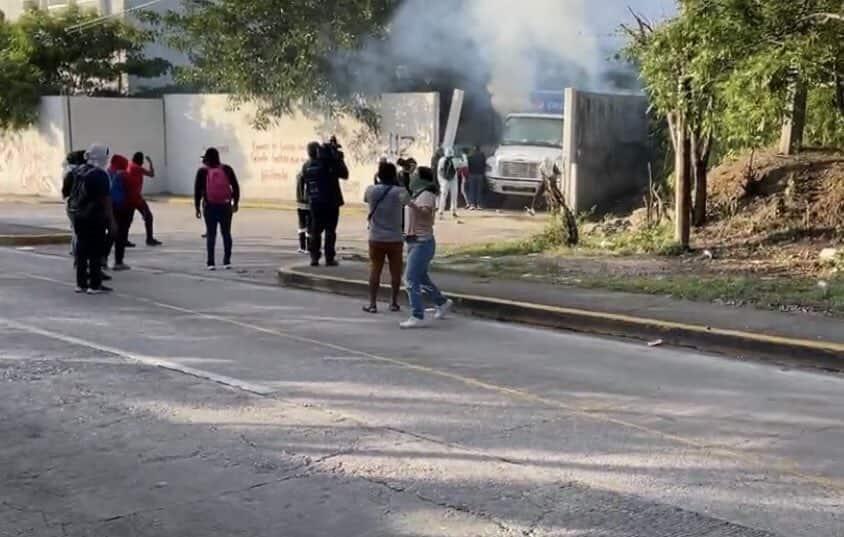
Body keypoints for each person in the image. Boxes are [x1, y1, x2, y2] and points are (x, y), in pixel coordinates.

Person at [401, 166, 453, 329]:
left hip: (422, 243)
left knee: (409, 278)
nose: (412, 177)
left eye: (415, 175)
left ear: (423, 179)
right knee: (421, 277)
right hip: (414, 241)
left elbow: (425, 214)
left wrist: (410, 204)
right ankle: (442, 302)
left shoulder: (427, 195)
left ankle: (417, 315)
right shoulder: (417, 194)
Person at [66, 144, 116, 294]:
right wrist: (112, 221)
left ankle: (81, 284)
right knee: (95, 250)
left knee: (81, 250)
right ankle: (94, 285)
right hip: (93, 217)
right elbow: (105, 200)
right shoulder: (99, 174)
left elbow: (68, 192)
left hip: (77, 215)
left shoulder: (78, 170)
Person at [363, 161, 409, 314]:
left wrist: (375, 181)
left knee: (375, 270)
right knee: (396, 272)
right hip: (395, 238)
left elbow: (366, 199)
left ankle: (372, 304)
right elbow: (408, 201)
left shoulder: (371, 190)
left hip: (376, 237)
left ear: (379, 174)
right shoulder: (399, 192)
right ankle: (394, 302)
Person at [302, 137, 349, 267]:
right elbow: (345, 174)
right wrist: (338, 158)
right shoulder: (329, 164)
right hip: (331, 202)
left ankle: (314, 258)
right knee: (330, 231)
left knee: (315, 231)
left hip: (315, 202)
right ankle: (329, 258)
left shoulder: (306, 166)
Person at [194, 148, 240, 270]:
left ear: (206, 159)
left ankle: (211, 263)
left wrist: (197, 207)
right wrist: (235, 203)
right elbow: (235, 186)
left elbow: (197, 191)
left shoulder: (202, 172)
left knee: (211, 234)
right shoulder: (227, 169)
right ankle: (227, 261)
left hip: (209, 206)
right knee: (226, 233)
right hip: (225, 206)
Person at [125, 152, 162, 247]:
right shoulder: (137, 168)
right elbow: (151, 174)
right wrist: (150, 163)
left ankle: (123, 239)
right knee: (148, 217)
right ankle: (149, 239)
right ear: (140, 160)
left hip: (129, 197)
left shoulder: (129, 165)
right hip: (136, 198)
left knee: (128, 220)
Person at [107, 154, 134, 271]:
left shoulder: (107, 172)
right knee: (121, 235)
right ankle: (118, 261)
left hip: (110, 208)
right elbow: (130, 190)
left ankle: (102, 259)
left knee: (112, 235)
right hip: (120, 208)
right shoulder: (121, 175)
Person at [62, 150, 87, 258]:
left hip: (71, 205)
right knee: (80, 232)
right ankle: (78, 255)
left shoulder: (70, 171)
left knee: (76, 230)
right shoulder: (82, 173)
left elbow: (64, 191)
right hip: (79, 205)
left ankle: (76, 253)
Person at [436, 147, 460, 219]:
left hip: (444, 180)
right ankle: (453, 211)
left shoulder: (441, 160)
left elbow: (439, 171)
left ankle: (441, 211)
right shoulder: (455, 160)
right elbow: (459, 168)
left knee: (443, 196)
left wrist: (441, 181)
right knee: (454, 196)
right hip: (453, 180)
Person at [295, 165, 310, 254]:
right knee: (309, 226)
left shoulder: (299, 176)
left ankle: (302, 246)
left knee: (301, 225)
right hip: (308, 204)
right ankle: (308, 247)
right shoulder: (308, 177)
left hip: (300, 204)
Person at [466, 145, 487, 210]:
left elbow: (467, 165)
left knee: (472, 190)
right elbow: (484, 165)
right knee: (479, 190)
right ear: (479, 149)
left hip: (471, 175)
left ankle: (472, 204)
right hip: (480, 175)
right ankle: (479, 205)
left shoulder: (469, 156)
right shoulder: (482, 156)